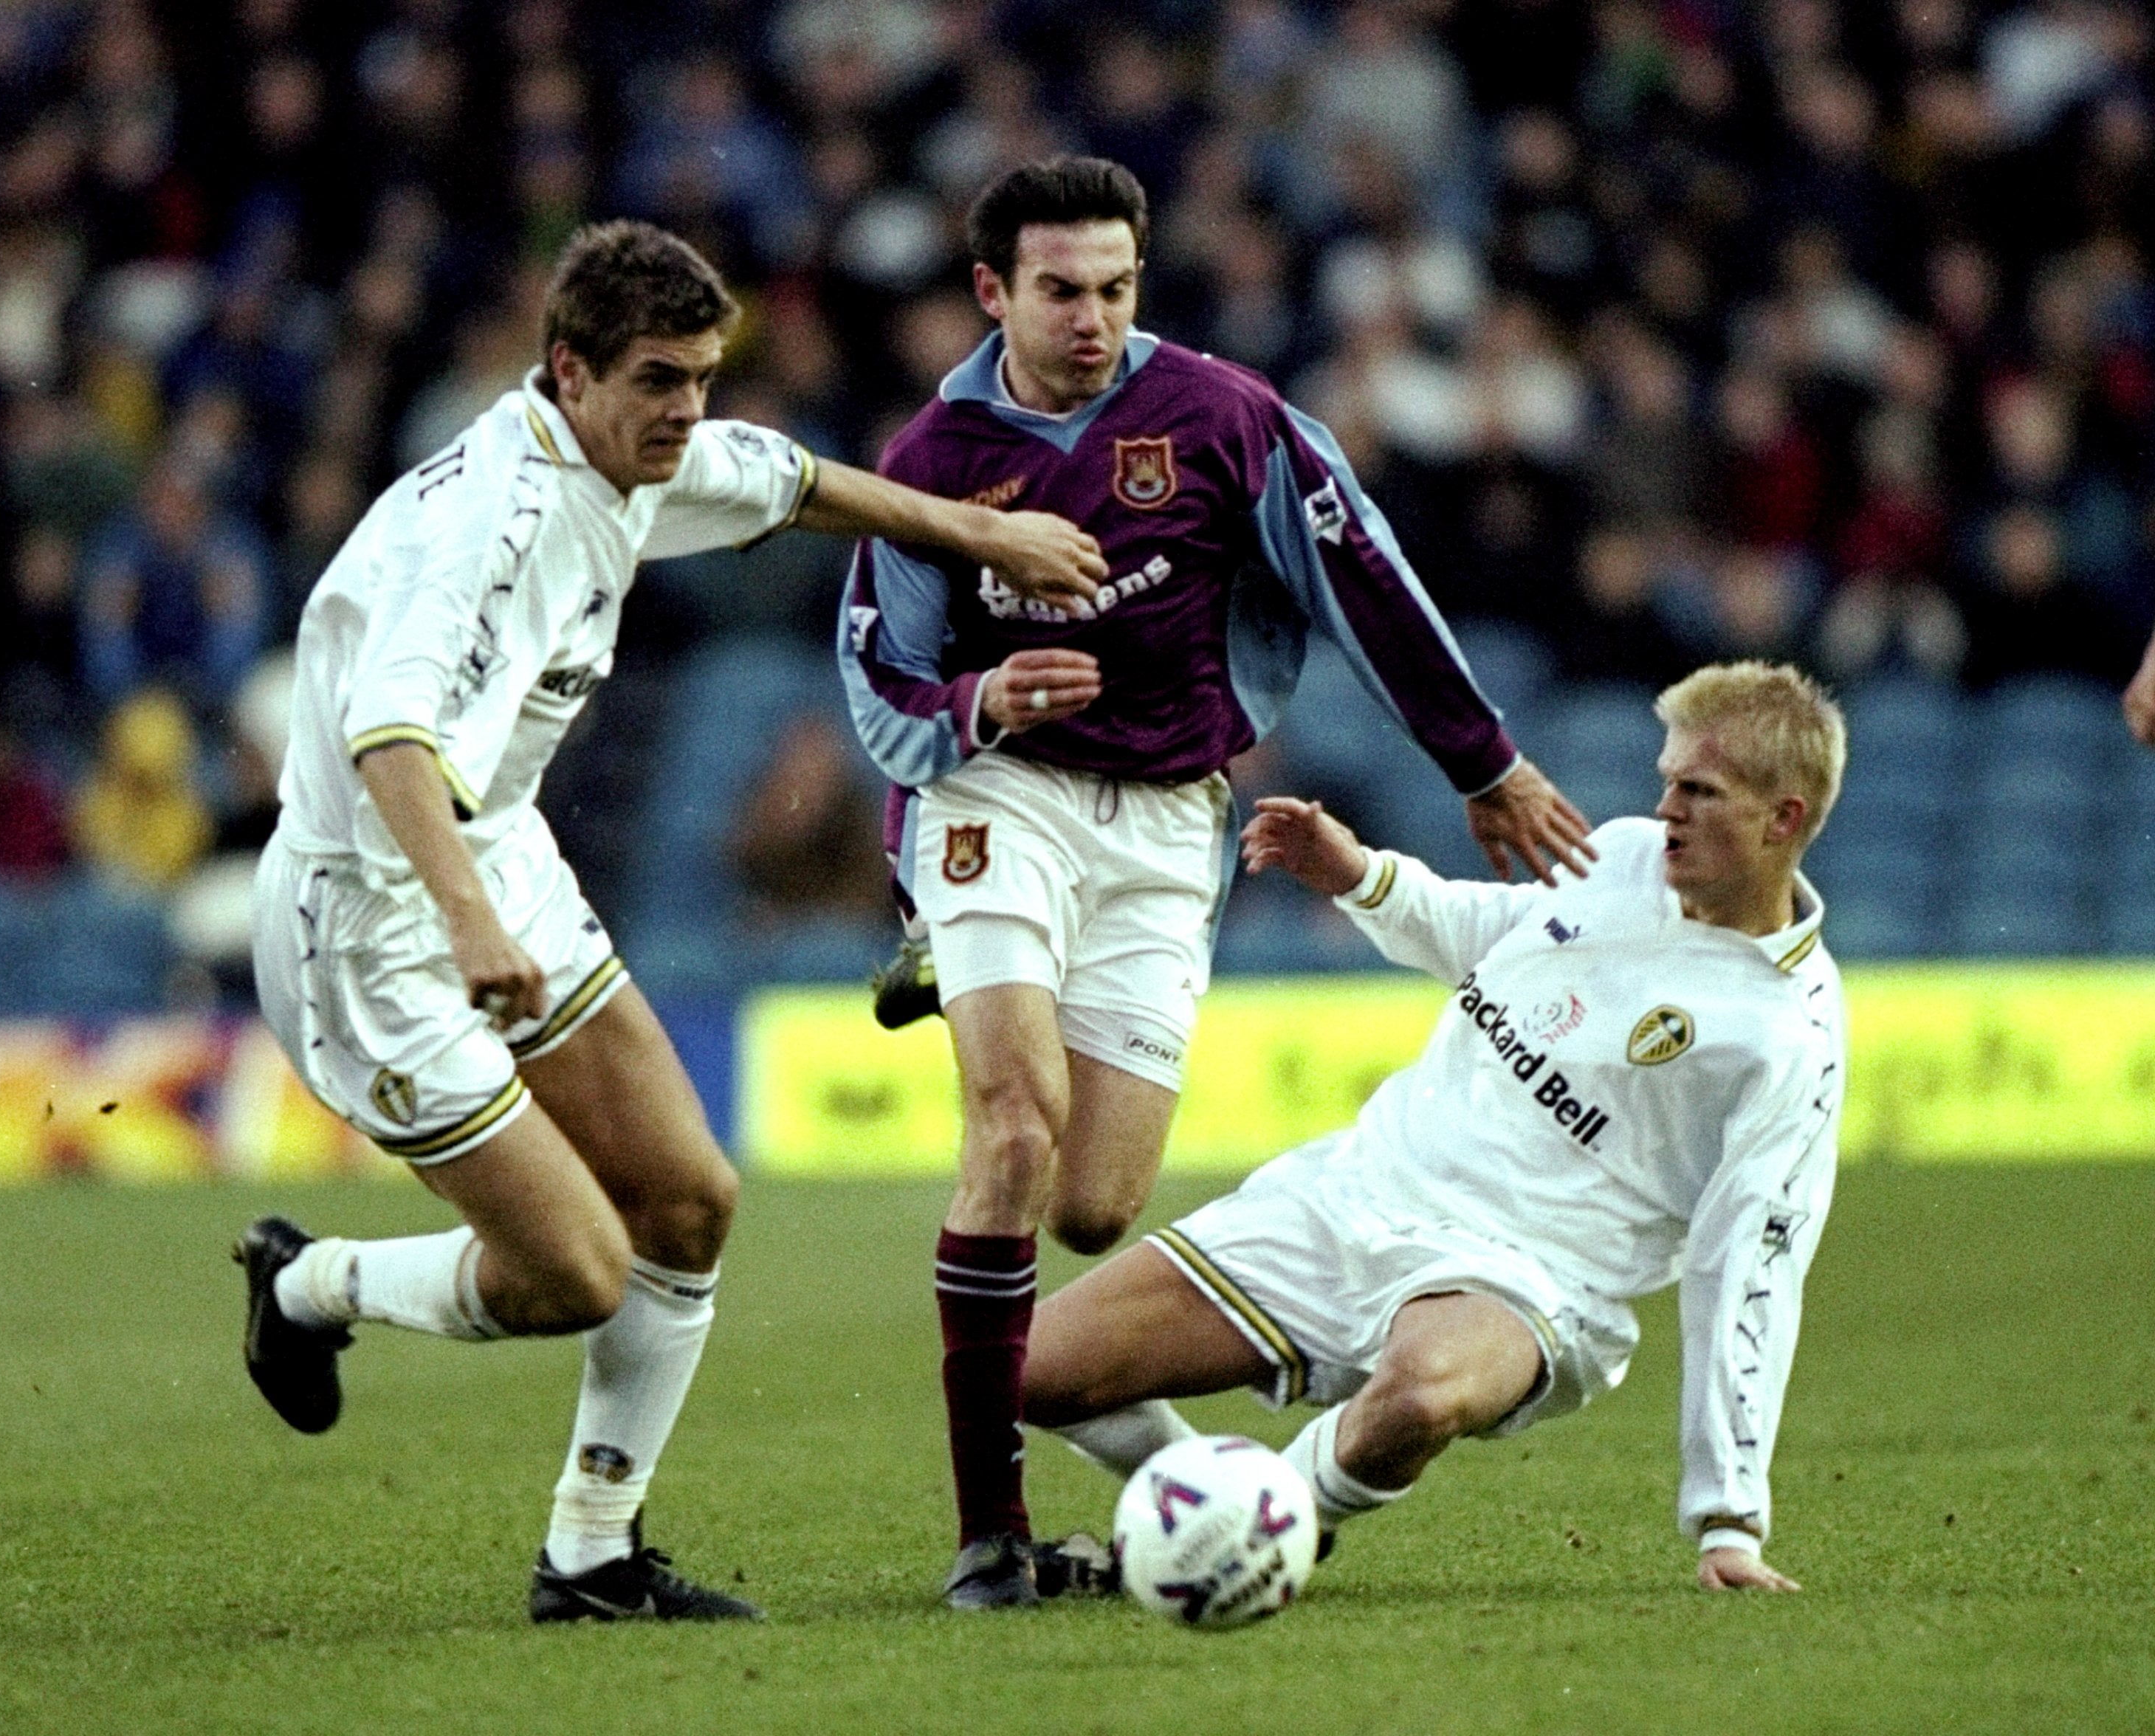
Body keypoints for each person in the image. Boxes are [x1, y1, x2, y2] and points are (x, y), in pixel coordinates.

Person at [237, 219, 1106, 1624]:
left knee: (691, 1200)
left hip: (497, 854)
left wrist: (980, 529)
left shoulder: (634, 450)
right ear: (566, 371)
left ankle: (590, 1554)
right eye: (658, 380)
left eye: (703, 375)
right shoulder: (492, 530)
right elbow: (388, 733)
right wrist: (465, 928)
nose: (687, 409)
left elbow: (795, 481)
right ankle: (311, 1285)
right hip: (377, 914)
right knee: (575, 1270)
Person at [836, 156, 1593, 1608]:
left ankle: (1190, 1496)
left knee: (1096, 1209)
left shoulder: (1227, 422)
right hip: (997, 792)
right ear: (994, 291)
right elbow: (880, 681)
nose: (1093, 317)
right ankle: (990, 1539)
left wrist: (1480, 762)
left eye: (1117, 288)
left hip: (1172, 818)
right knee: (1010, 1131)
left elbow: (1360, 575)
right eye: (1061, 290)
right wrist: (985, 705)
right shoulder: (932, 461)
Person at [1020, 661, 1846, 1596]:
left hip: (1530, 1279)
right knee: (1028, 1369)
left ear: (1783, 818)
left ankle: (1269, 1519)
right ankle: (1211, 1505)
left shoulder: (1787, 1036)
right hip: (1356, 1196)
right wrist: (1361, 877)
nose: (1665, 810)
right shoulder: (1622, 858)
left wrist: (1728, 1520)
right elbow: (1490, 929)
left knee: (1419, 1396)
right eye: (1665, 782)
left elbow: (1751, 1270)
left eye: (1699, 792)